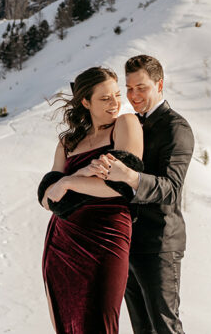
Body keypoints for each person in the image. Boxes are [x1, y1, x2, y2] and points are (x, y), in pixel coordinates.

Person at [87, 55, 194, 334]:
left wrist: (130, 176)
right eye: (129, 88)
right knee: (142, 329)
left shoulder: (176, 128)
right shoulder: (129, 124)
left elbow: (171, 189)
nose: (133, 95)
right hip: (127, 242)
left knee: (164, 326)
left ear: (160, 85)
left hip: (160, 243)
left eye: (141, 88)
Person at [40, 66, 144, 334]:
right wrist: (80, 177)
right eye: (105, 98)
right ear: (86, 102)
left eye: (117, 95)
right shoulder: (68, 142)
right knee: (68, 324)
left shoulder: (125, 124)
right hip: (62, 243)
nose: (115, 103)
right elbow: (47, 200)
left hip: (107, 236)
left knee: (101, 322)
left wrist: (68, 182)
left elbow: (122, 185)